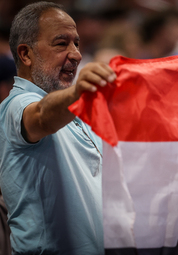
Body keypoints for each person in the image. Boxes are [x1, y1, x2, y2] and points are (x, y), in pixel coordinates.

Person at [0, 2, 115, 254]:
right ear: (26, 54)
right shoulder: (16, 106)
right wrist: (78, 91)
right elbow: (41, 116)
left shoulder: (78, 111)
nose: (76, 54)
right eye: (61, 43)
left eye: (76, 43)